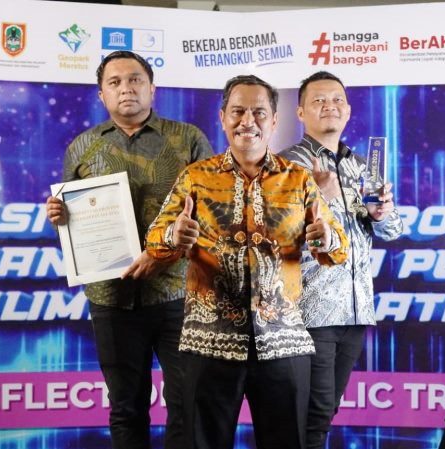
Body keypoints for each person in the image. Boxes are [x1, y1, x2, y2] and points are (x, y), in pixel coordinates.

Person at [145, 75, 349, 449]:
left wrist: (326, 237)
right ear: (223, 117)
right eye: (238, 111)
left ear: (274, 120)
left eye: (259, 112)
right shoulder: (195, 177)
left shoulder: (298, 179)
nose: (247, 121)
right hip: (209, 342)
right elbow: (155, 242)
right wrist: (175, 235)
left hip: (283, 342)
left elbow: (337, 251)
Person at [45, 51, 213, 449]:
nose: (126, 89)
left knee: (188, 403)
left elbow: (214, 212)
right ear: (101, 94)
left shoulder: (188, 139)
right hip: (111, 297)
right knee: (125, 407)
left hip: (179, 296)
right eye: (115, 82)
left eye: (135, 79)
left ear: (152, 88)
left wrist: (165, 251)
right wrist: (59, 216)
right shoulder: (83, 147)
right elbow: (74, 223)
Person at [279, 71, 404, 449]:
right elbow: (278, 235)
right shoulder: (287, 165)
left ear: (348, 111)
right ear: (300, 112)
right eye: (318, 100)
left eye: (336, 100)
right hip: (310, 310)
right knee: (311, 411)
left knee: (326, 410)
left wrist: (382, 214)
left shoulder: (363, 166)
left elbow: (392, 232)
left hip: (355, 309)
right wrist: (324, 199)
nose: (329, 106)